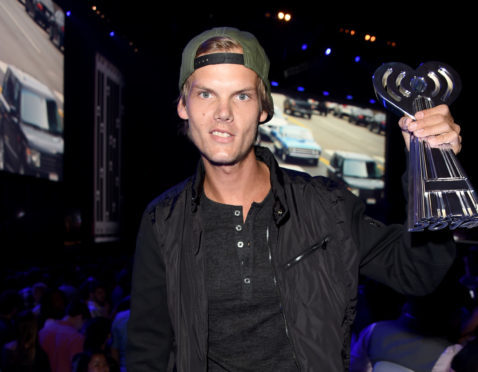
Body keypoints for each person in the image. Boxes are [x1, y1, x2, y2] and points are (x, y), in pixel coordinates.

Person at [126, 26, 462, 371]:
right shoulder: (162, 220)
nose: (222, 112)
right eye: (206, 95)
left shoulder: (326, 207)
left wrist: (430, 171)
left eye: (241, 96)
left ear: (263, 110)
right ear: (183, 106)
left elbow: (419, 271)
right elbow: (147, 351)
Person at [39, 299, 90, 372]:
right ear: (79, 317)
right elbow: (77, 367)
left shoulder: (44, 331)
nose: (83, 327)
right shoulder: (76, 337)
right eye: (84, 322)